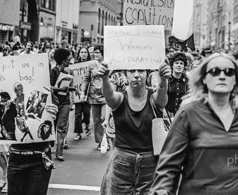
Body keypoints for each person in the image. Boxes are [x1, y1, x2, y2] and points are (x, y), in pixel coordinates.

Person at [150, 53, 238, 195]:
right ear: (204, 79)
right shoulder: (188, 113)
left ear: (235, 80)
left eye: (229, 72)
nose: (222, 76)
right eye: (214, 71)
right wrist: (161, 191)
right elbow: (169, 166)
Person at [97, 61, 171, 194]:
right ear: (126, 75)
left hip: (150, 164)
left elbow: (162, 98)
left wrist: (164, 80)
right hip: (121, 163)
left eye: (141, 71)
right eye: (132, 71)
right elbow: (109, 96)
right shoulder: (120, 98)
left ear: (147, 73)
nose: (136, 75)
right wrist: (104, 78)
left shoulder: (153, 98)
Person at [7, 103, 58, 195]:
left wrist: (51, 115)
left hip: (39, 156)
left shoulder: (44, 93)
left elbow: (50, 133)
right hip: (16, 156)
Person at [50, 47, 74, 161]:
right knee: (52, 126)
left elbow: (66, 88)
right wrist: (60, 88)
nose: (70, 61)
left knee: (61, 127)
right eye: (69, 59)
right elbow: (49, 87)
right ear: (63, 60)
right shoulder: (54, 71)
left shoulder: (67, 73)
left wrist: (72, 89)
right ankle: (49, 148)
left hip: (65, 102)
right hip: (54, 102)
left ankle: (59, 152)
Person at [81, 45, 106, 150]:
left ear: (103, 53)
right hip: (94, 95)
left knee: (104, 119)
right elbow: (86, 79)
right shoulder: (91, 65)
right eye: (94, 53)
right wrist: (83, 92)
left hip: (105, 96)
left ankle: (106, 141)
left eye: (98, 53)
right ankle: (100, 142)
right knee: (96, 121)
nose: (95, 55)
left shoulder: (107, 64)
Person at [73, 47, 92, 141]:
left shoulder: (91, 65)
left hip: (88, 92)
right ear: (79, 54)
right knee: (77, 114)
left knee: (87, 112)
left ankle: (87, 124)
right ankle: (78, 133)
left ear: (88, 54)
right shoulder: (75, 65)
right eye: (82, 52)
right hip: (77, 92)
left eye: (85, 52)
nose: (83, 54)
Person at [166, 52, 189, 116]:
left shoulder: (187, 81)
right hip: (167, 116)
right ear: (172, 65)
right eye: (176, 63)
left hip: (182, 116)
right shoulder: (166, 80)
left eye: (181, 63)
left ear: (184, 66)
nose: (179, 65)